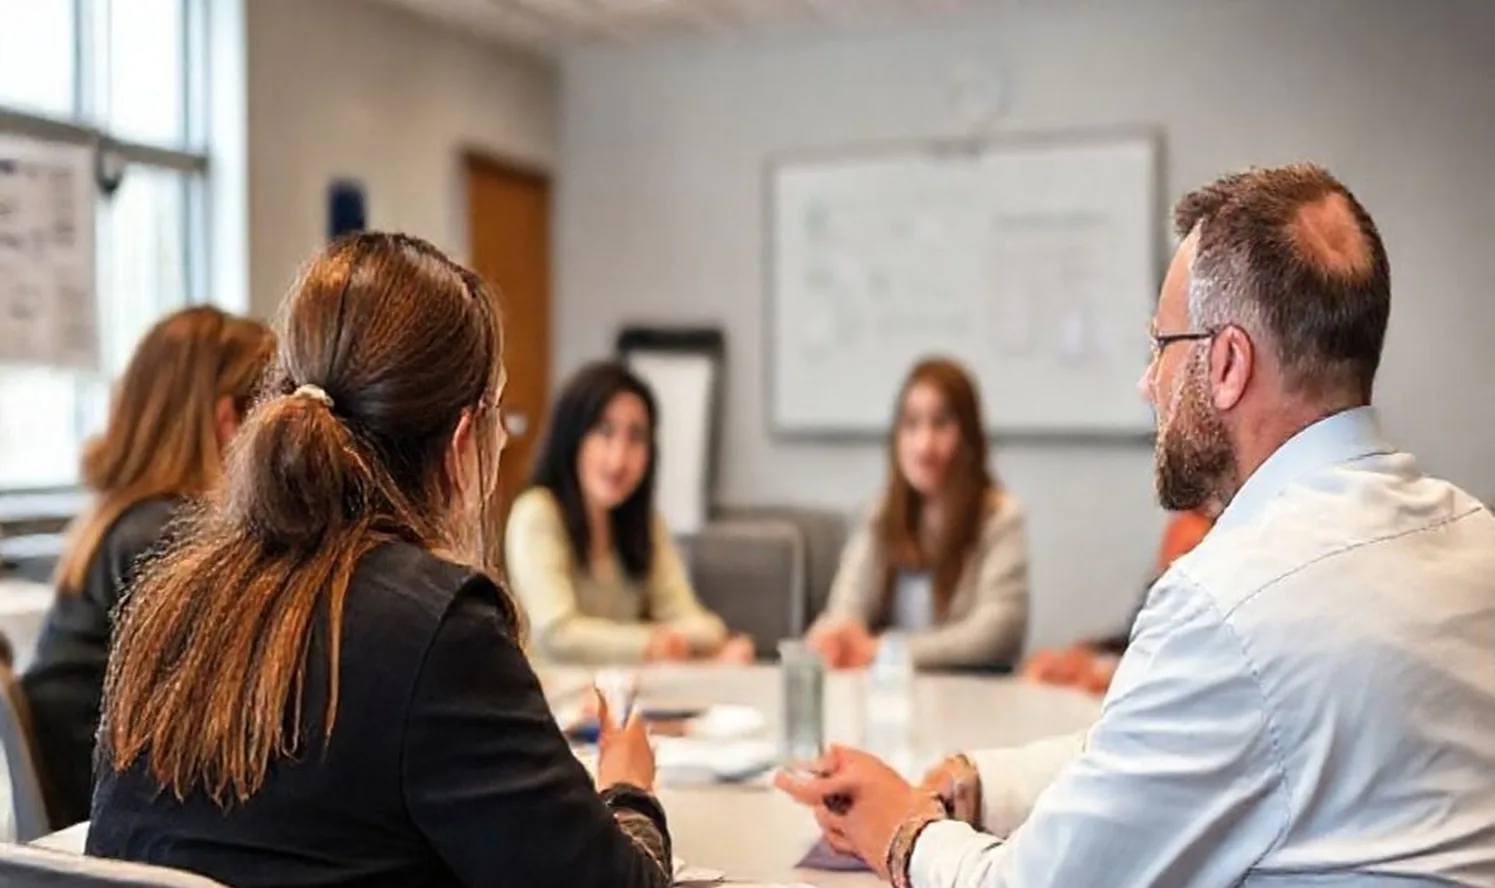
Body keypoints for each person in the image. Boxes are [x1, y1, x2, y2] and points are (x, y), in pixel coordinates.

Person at [777, 163, 1495, 886]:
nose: (1146, 382)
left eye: (1161, 346)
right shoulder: (1474, 537)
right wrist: (978, 785)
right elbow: (1151, 751)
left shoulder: (1230, 601)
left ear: (1225, 363)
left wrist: (901, 834)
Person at [89, 233, 673, 888]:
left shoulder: (166, 595)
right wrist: (627, 791)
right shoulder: (439, 624)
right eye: (495, 419)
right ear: (461, 440)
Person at [21, 306, 273, 830]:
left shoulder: (121, 520)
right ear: (230, 423)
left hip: (88, 805)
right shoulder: (166, 539)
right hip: (110, 817)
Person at [506, 360, 752, 665]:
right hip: (553, 702)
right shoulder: (537, 513)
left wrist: (684, 642)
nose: (619, 458)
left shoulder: (645, 524)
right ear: (572, 438)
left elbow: (705, 627)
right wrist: (654, 643)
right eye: (604, 432)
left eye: (636, 437)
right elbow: (557, 635)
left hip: (626, 701)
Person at [806, 358, 1029, 671]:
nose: (924, 446)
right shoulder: (882, 514)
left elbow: (995, 632)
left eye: (941, 424)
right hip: (890, 702)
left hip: (971, 699)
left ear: (969, 436)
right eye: (911, 425)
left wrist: (885, 650)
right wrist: (836, 637)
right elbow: (847, 608)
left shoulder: (1000, 518)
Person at [1021, 507, 1214, 695]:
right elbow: (1133, 637)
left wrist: (1113, 673)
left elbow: (1193, 666)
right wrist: (1085, 654)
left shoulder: (1220, 603)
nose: (1177, 533)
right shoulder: (1165, 588)